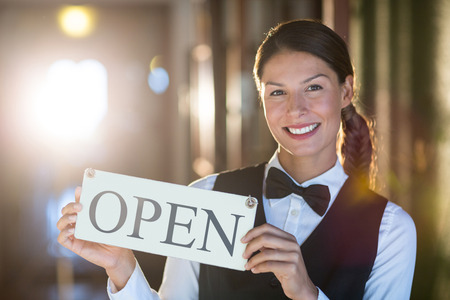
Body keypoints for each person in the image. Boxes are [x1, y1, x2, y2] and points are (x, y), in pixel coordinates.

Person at [57, 19, 416, 300]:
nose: (296, 109)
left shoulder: (392, 230)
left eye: (314, 87)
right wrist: (121, 265)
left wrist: (307, 293)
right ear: (261, 100)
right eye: (278, 92)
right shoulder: (205, 196)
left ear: (346, 91)